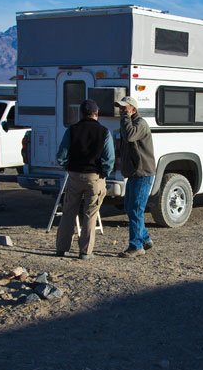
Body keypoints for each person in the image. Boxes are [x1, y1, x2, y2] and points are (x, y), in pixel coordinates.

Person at [54, 99, 114, 260]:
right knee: (90, 214)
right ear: (97, 113)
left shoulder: (72, 130)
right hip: (94, 177)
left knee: (68, 212)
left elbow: (61, 156)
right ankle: (85, 251)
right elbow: (109, 159)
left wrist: (68, 166)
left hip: (74, 175)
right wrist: (104, 173)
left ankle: (62, 248)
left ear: (81, 113)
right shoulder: (104, 132)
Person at [115, 96, 156, 258]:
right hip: (134, 173)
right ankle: (145, 239)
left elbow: (130, 136)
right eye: (120, 108)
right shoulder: (129, 123)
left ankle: (136, 246)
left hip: (143, 173)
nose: (122, 110)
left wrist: (125, 118)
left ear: (133, 109)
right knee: (130, 208)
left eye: (125, 107)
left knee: (136, 209)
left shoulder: (140, 124)